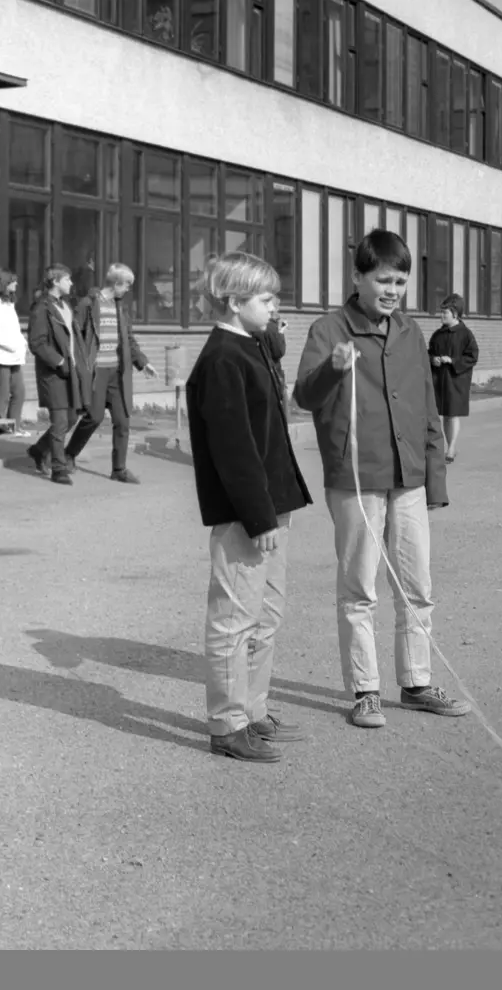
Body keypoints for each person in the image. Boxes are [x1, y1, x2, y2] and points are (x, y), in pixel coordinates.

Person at [294, 229, 470, 730]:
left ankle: (416, 683)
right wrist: (332, 368)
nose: (393, 291)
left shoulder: (411, 332)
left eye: (400, 282)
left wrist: (434, 478)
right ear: (358, 277)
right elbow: (304, 396)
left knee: (417, 585)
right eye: (384, 280)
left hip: (408, 477)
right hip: (357, 478)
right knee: (359, 588)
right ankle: (365, 691)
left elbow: (428, 408)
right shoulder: (329, 330)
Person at [185, 252, 313, 763]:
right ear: (234, 302)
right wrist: (258, 516)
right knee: (235, 618)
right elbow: (234, 448)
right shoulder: (222, 358)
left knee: (266, 613)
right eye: (266, 298)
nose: (275, 306)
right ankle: (227, 723)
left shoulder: (251, 344)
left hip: (270, 504)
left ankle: (253, 709)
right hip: (246, 513)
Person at [67, 263, 158, 484]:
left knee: (122, 421)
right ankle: (69, 455)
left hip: (117, 373)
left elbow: (129, 340)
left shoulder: (121, 308)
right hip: (97, 372)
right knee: (94, 417)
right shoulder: (88, 304)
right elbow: (75, 338)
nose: (128, 289)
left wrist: (142, 362)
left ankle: (119, 469)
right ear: (116, 283)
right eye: (127, 284)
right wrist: (79, 368)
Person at [27, 264, 91, 486]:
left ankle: (38, 450)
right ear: (55, 281)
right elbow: (37, 343)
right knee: (61, 421)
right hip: (53, 373)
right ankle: (58, 469)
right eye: (67, 279)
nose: (71, 283)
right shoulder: (41, 308)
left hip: (71, 372)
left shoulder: (65, 305)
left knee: (71, 418)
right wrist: (59, 361)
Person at [427, 293, 479, 462]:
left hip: (457, 380)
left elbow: (472, 356)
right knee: (444, 415)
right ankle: (450, 446)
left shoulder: (466, 334)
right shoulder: (437, 335)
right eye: (441, 312)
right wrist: (433, 359)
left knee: (452, 414)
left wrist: (453, 361)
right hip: (440, 380)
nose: (441, 316)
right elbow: (429, 353)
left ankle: (451, 448)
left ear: (455, 314)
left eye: (445, 313)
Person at [0, 269, 31, 438]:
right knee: (3, 393)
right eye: (12, 281)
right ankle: (1, 426)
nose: (16, 284)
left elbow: (15, 329)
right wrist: (12, 346)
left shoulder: (9, 304)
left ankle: (14, 426)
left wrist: (22, 343)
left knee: (19, 392)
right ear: (4, 283)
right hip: (2, 356)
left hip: (15, 356)